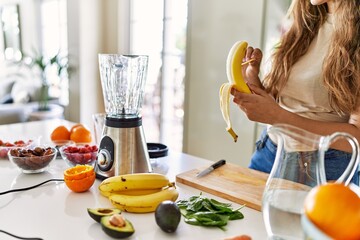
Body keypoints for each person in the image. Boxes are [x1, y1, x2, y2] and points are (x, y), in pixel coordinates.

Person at [230, 0, 360, 185]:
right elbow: (288, 101)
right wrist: (253, 82)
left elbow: (355, 138)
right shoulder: (305, 21)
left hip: (323, 167)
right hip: (269, 151)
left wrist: (277, 116)